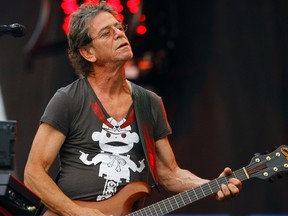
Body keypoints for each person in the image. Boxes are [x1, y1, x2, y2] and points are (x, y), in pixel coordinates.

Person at [24, 1, 242, 216]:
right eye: (106, 33)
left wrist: (212, 185)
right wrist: (77, 213)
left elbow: (169, 173)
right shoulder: (68, 99)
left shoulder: (149, 103)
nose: (119, 34)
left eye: (119, 27)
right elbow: (33, 174)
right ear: (88, 53)